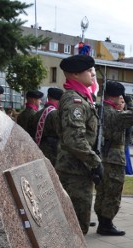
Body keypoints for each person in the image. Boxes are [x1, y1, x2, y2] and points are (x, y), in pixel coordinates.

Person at [55, 54, 103, 235]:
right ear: (75, 74)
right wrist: (95, 162)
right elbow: (74, 139)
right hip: (73, 173)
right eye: (89, 70)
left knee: (77, 225)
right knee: (74, 229)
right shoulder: (74, 101)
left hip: (79, 170)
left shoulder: (82, 98)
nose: (93, 74)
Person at [94, 81, 133, 236]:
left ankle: (103, 221)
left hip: (101, 157)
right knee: (113, 191)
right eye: (120, 96)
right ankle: (106, 224)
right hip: (113, 159)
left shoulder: (100, 110)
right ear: (115, 96)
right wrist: (130, 101)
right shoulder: (114, 114)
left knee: (102, 191)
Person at [29, 87, 63, 165]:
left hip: (37, 149)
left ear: (49, 97)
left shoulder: (37, 113)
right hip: (53, 152)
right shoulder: (57, 114)